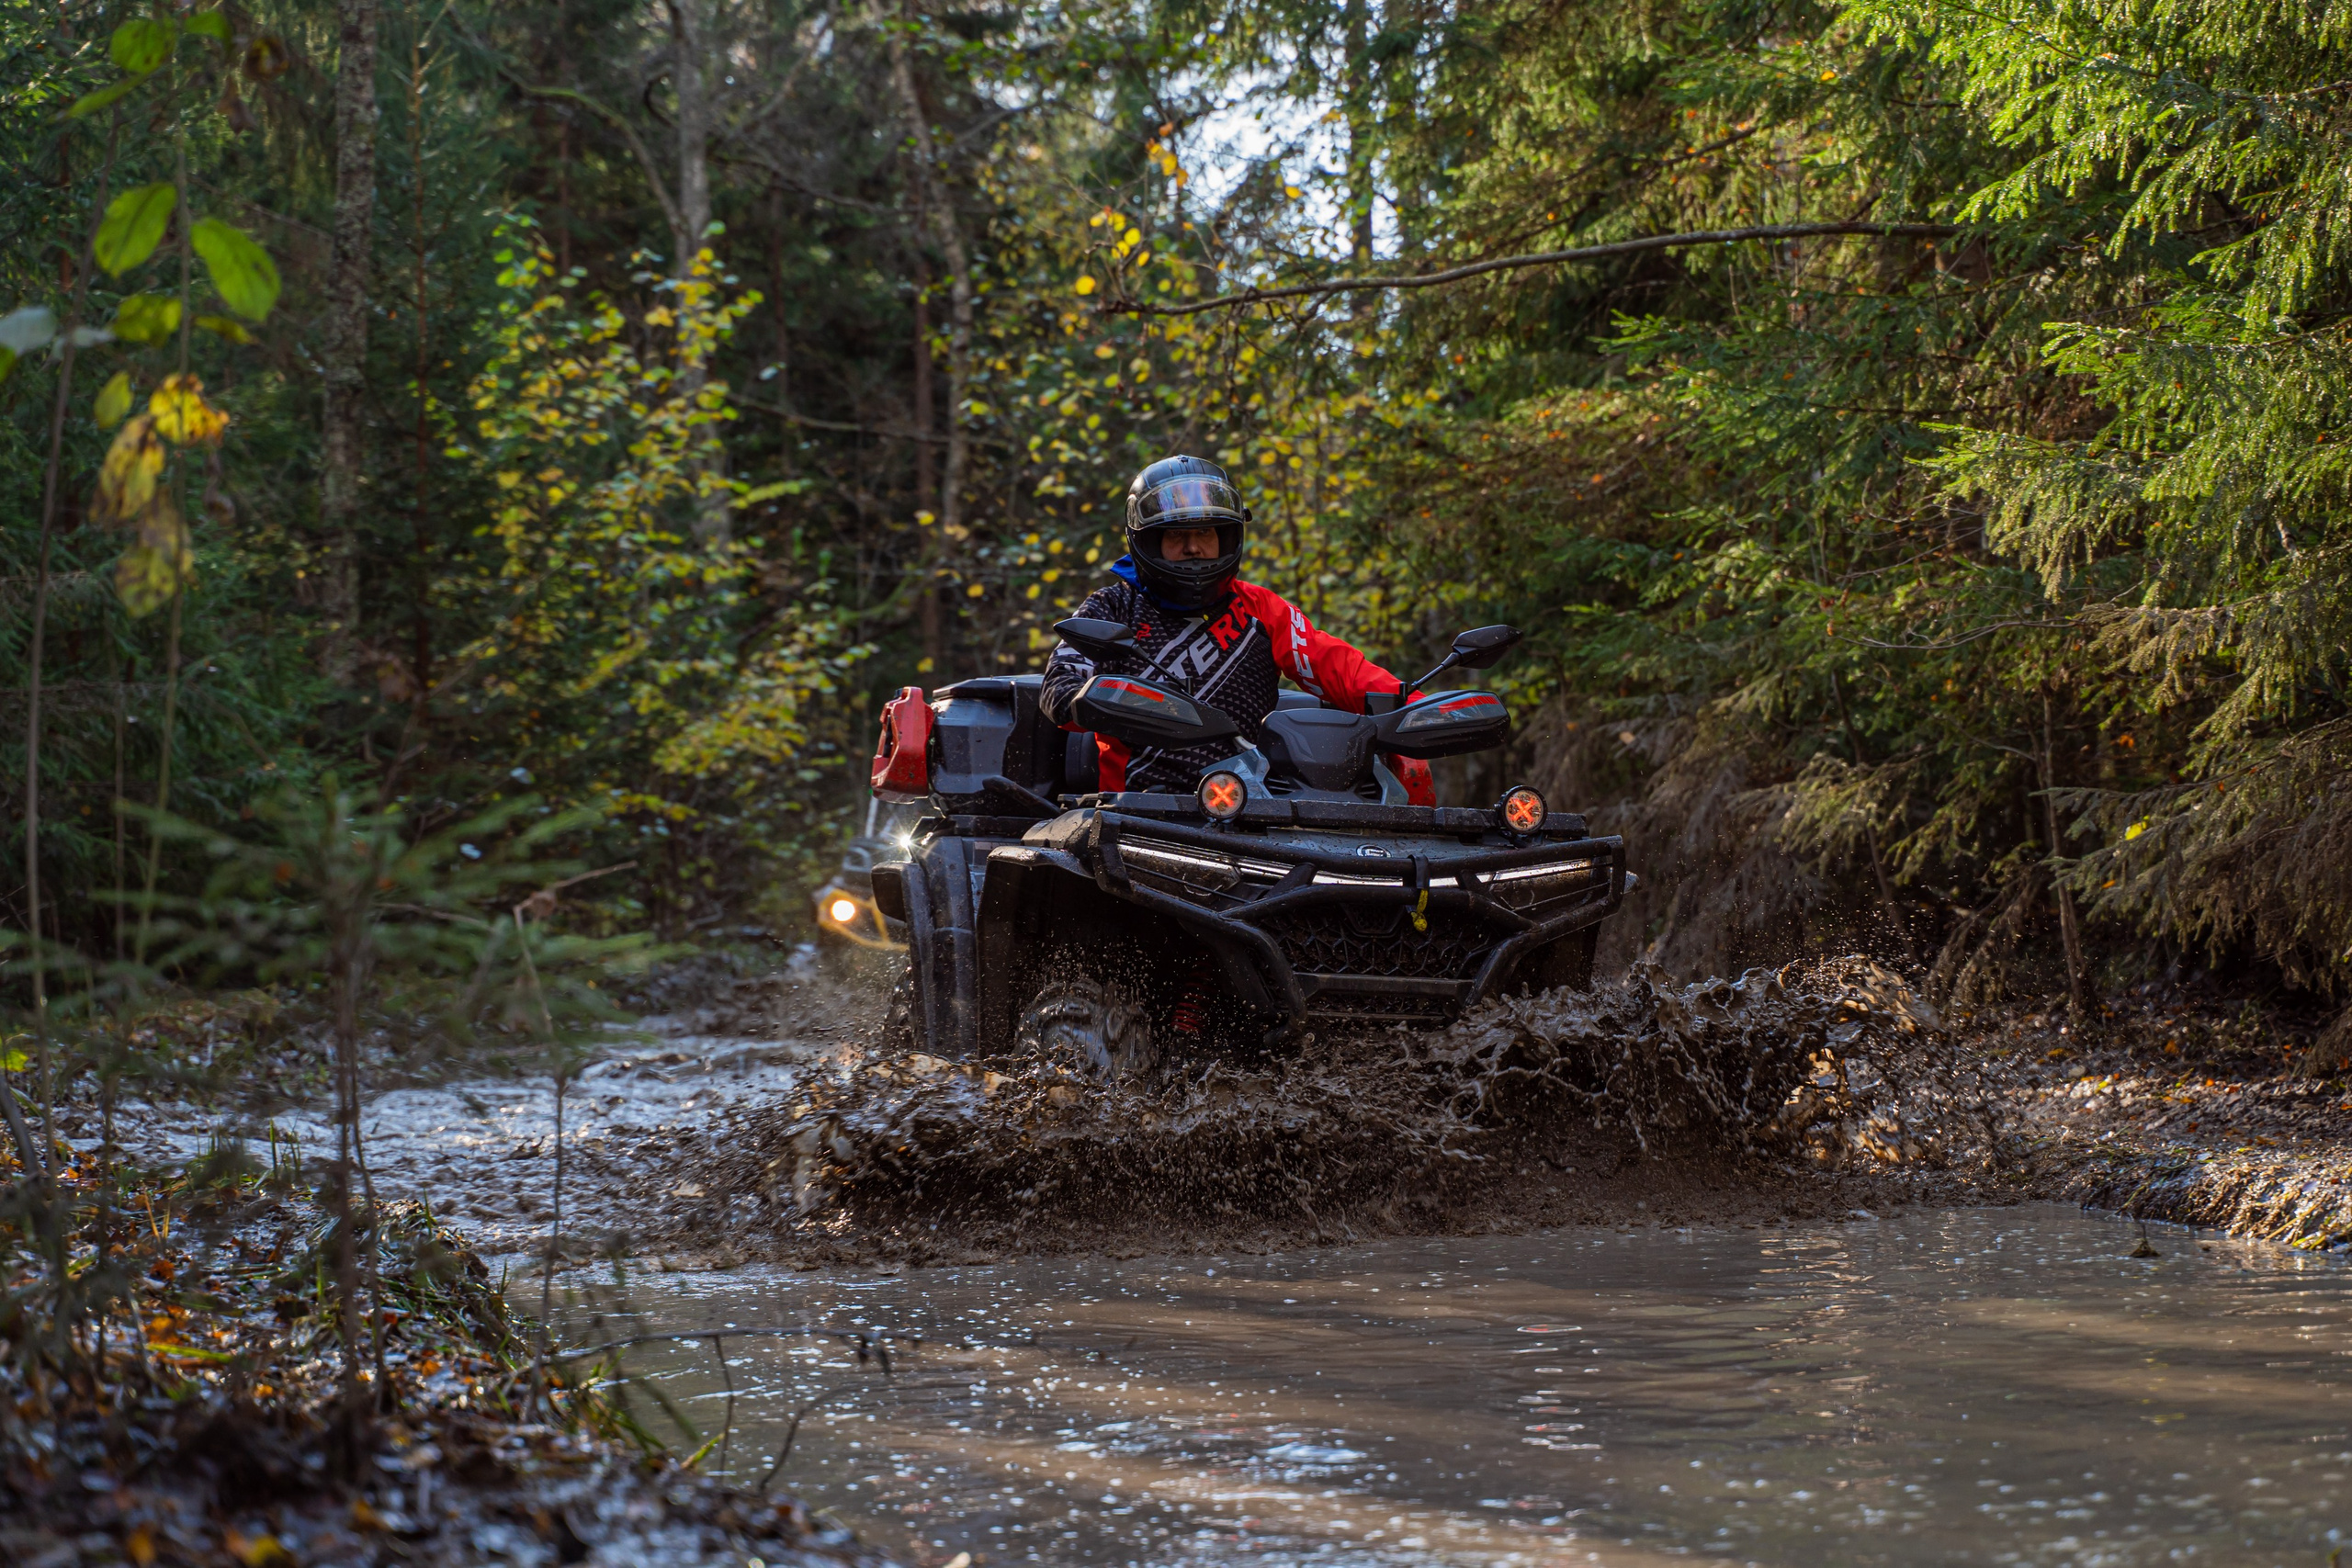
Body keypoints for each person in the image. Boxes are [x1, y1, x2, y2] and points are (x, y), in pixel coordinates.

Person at [1040, 454, 1432, 799]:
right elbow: (1060, 688)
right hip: (1137, 811)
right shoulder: (1111, 607)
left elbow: (1342, 669)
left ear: (1227, 537)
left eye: (1205, 532)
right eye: (1176, 534)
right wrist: (1108, 702)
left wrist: (1419, 713)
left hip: (1246, 807)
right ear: (1147, 541)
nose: (1193, 547)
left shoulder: (1261, 609)